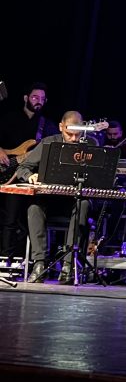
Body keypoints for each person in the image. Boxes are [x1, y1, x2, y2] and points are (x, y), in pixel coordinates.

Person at [15, 110, 95, 283]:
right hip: (50, 201)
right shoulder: (48, 143)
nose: (73, 139)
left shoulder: (91, 145)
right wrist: (30, 176)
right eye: (69, 134)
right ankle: (39, 263)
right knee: (34, 207)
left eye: (77, 134)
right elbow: (22, 167)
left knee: (84, 204)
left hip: (74, 202)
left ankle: (68, 265)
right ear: (61, 127)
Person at [0, 81, 59, 259]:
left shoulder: (48, 126)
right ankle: (6, 258)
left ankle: (32, 259)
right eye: (35, 97)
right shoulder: (9, 118)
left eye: (42, 98)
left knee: (33, 219)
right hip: (10, 175)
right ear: (26, 98)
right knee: (10, 219)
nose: (38, 101)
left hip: (33, 178)